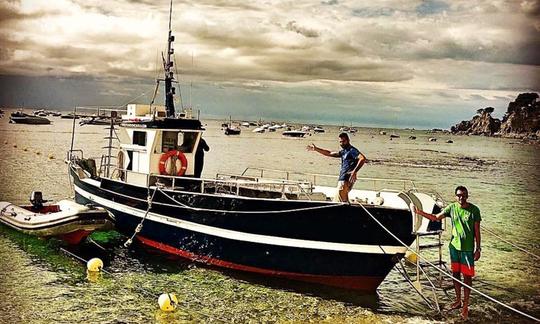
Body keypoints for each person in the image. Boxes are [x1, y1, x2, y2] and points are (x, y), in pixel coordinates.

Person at [414, 186, 481, 320]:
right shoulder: (452, 207)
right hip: (454, 247)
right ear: (455, 196)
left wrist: (478, 248)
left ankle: (465, 305)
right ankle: (458, 301)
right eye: (458, 195)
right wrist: (419, 212)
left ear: (467, 196)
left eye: (463, 195)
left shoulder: (474, 210)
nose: (461, 197)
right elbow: (435, 218)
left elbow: (477, 231)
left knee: (467, 277)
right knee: (455, 275)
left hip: (467, 249)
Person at [307, 132, 366, 202]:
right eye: (340, 142)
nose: (342, 143)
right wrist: (316, 149)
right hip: (343, 180)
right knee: (343, 201)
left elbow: (362, 158)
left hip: (345, 179)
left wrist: (354, 171)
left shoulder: (352, 150)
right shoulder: (344, 151)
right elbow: (329, 153)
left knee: (338, 202)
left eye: (343, 141)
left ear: (348, 140)